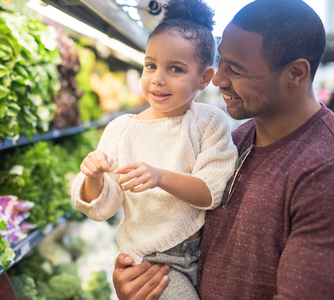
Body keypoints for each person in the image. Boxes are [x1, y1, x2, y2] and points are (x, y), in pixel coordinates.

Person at [113, 0, 334, 299]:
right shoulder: (235, 139)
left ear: (295, 73)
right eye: (221, 61)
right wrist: (141, 287)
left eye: (237, 70)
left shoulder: (324, 168)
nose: (217, 80)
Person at [70, 0, 238, 299]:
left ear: (204, 78)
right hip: (152, 261)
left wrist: (160, 176)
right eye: (151, 65)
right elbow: (103, 207)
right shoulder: (122, 130)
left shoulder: (208, 122)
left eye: (175, 68)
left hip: (204, 252)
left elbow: (212, 192)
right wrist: (93, 177)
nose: (158, 78)